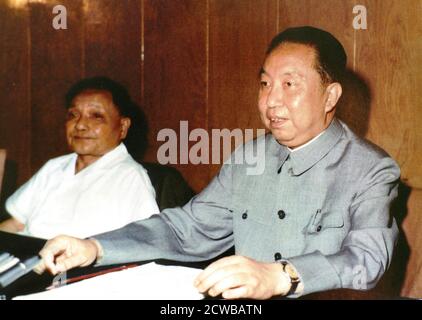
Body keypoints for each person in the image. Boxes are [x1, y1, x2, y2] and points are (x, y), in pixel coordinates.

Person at [37, 26, 400, 299]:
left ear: (330, 95)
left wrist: (280, 276)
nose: (271, 101)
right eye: (264, 83)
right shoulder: (248, 158)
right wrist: (96, 247)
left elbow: (365, 259)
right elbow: (188, 228)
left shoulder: (370, 169)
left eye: (289, 84)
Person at [0, 77, 159, 239]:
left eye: (96, 116)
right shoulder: (54, 167)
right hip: (26, 259)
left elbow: (145, 242)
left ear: (123, 127)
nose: (80, 125)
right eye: (73, 115)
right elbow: (16, 223)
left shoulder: (131, 177)